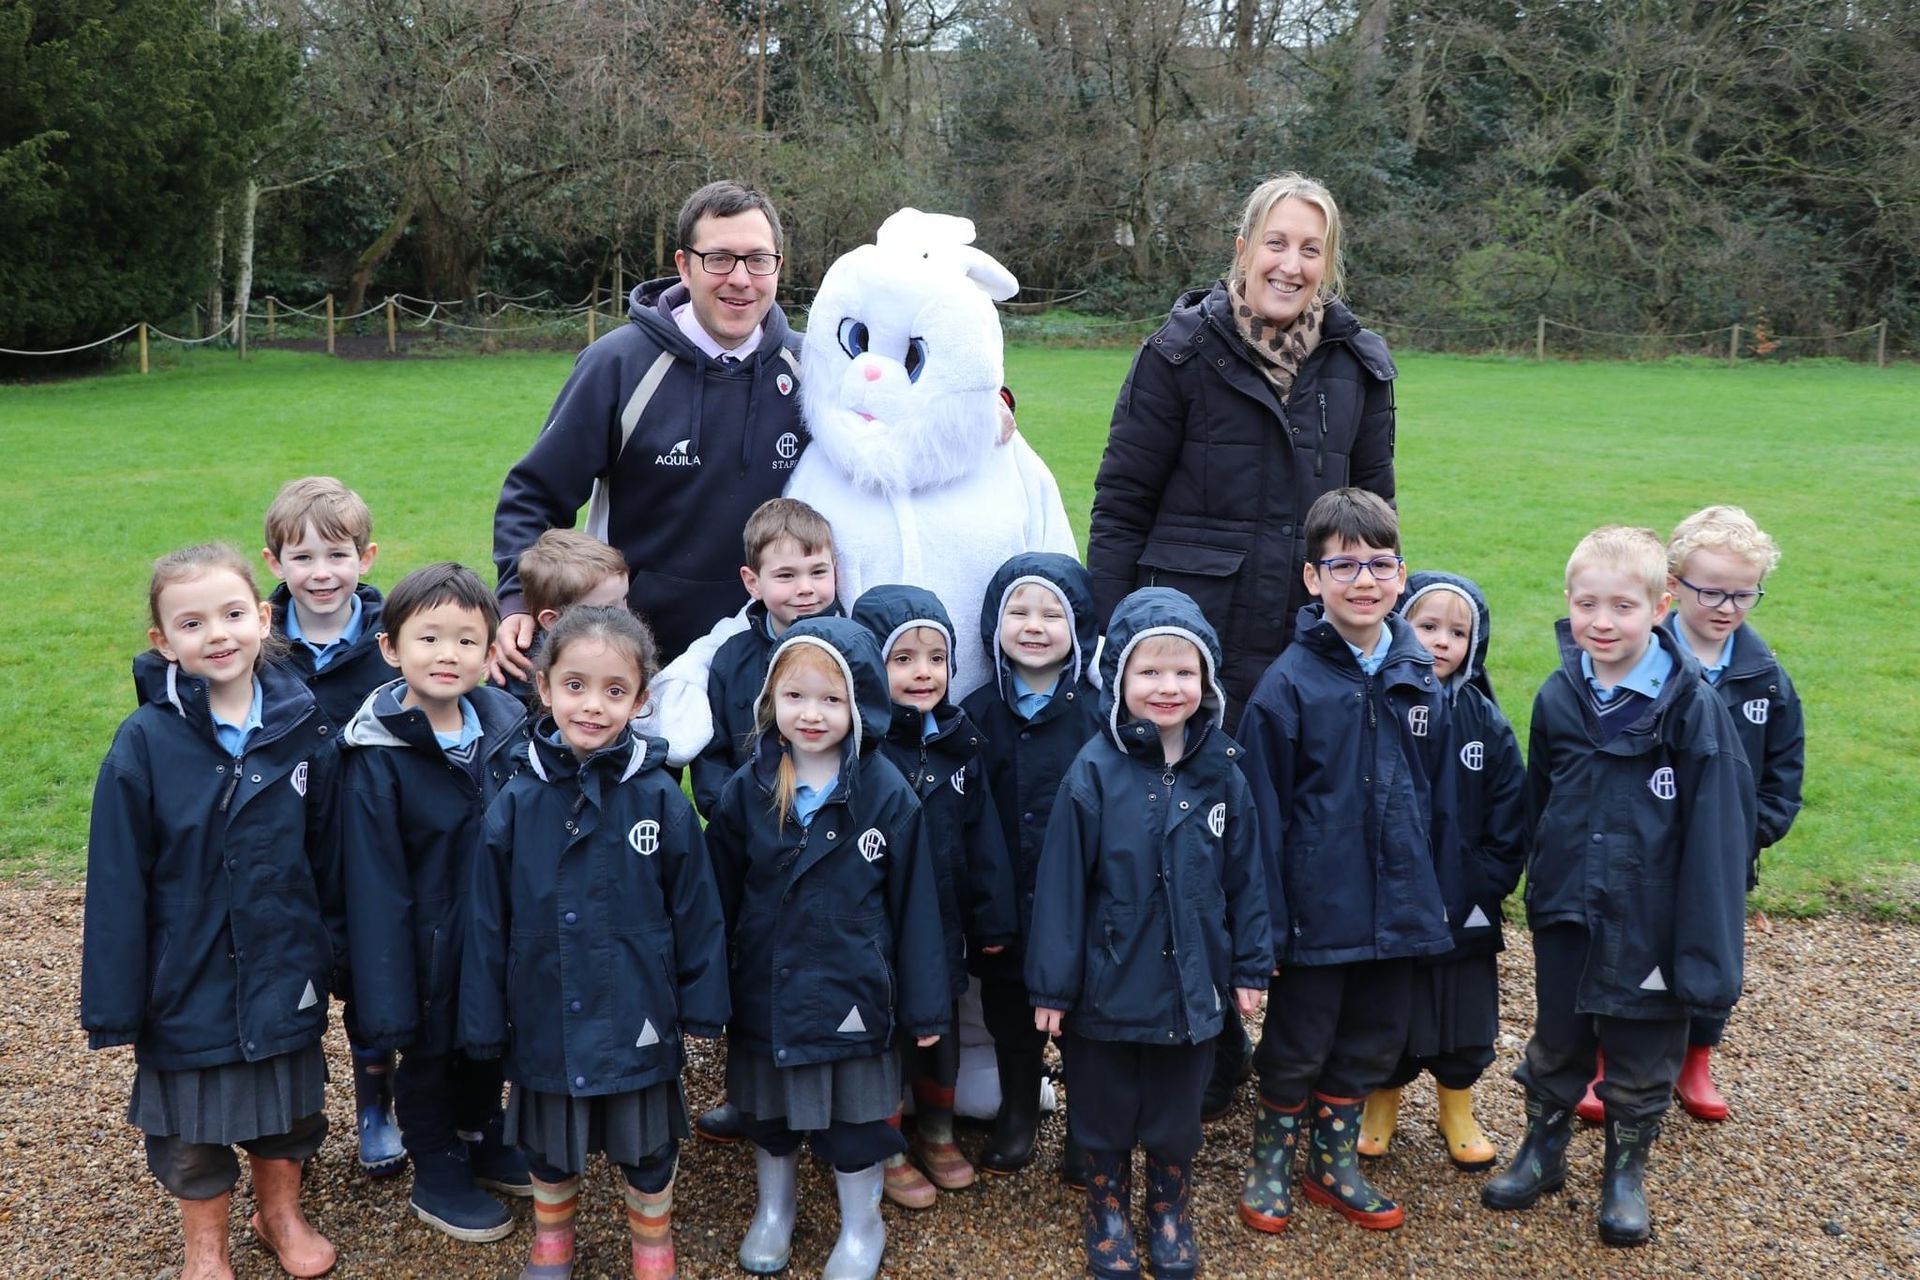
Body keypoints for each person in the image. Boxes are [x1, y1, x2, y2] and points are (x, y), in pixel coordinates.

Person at [1086, 172, 1398, 1117]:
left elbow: (1375, 514)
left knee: (1297, 838)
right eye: (1276, 244)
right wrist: (1114, 639)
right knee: (1182, 838)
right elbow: (1120, 504)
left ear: (1328, 263)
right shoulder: (1179, 354)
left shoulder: (1358, 364)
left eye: (1310, 250)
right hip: (1196, 640)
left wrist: (1376, 619)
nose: (1290, 265)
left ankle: (1298, 1051)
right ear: (1242, 248)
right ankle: (1201, 1039)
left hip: (1307, 643)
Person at [1481, 526, 1754, 1248]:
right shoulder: (1559, 697)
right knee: (1559, 1035)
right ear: (1568, 603)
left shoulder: (1693, 710)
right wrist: (1542, 884)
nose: (1602, 622)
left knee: (1641, 1050)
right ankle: (1541, 1153)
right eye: (1587, 604)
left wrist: (1704, 946)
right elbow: (1541, 800)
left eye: (1623, 607)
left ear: (1661, 607)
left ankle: (1624, 1176)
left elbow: (1718, 838)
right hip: (1571, 905)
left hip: (1653, 916)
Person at [82, 543, 340, 1279]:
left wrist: (338, 956)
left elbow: (329, 856)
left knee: (288, 1107)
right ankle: (206, 1245)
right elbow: (117, 881)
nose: (217, 634)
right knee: (190, 1126)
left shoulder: (302, 726)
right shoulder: (144, 743)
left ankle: (280, 1214)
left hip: (284, 959)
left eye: (232, 613)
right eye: (191, 623)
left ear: (263, 618)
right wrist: (117, 1002)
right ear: (163, 642)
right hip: (184, 971)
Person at [461, 606, 730, 1280]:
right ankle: (553, 1238)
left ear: (641, 701)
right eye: (575, 685)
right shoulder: (517, 802)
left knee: (647, 1143)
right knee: (549, 1142)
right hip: (545, 1005)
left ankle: (652, 1241)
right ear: (545, 688)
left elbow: (697, 908)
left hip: (638, 1004)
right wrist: (484, 1018)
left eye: (615, 691)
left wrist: (703, 1005)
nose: (592, 705)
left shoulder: (660, 797)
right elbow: (486, 919)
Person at [1026, 587, 1271, 1280]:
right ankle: (1106, 1205)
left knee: (1174, 1110)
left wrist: (1250, 966)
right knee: (1102, 1108)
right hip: (1106, 983)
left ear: (1208, 681)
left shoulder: (1223, 771)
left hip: (1191, 985)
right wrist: (1052, 984)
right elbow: (1062, 887)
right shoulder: (1093, 774)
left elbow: (1248, 877)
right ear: (1119, 680)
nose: (1168, 688)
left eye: (1184, 673)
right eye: (1150, 673)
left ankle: (1169, 1206)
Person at [1235, 488, 1455, 1235]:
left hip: (1398, 907)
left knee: (1370, 1039)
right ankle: (1272, 1157)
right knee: (1297, 1043)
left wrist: (1440, 896)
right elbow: (1261, 813)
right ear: (1311, 578)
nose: (1364, 581)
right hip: (1315, 910)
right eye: (1344, 565)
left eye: (1381, 564)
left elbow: (1442, 795)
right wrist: (1265, 925)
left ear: (1402, 574)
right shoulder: (1286, 688)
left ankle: (1333, 1162)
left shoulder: (1421, 675)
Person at [704, 617, 949, 1280]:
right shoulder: (746, 792)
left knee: (856, 1126)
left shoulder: (886, 794)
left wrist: (926, 1009)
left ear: (860, 702)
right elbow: (714, 900)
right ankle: (774, 1212)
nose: (811, 715)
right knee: (770, 1115)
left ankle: (862, 1227)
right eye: (796, 697)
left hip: (853, 993)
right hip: (768, 989)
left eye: (831, 699)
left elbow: (917, 909)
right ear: (771, 702)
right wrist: (704, 993)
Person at [491, 180, 804, 678]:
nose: (740, 278)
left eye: (757, 259)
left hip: (769, 650)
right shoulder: (617, 363)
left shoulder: (814, 372)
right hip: (626, 649)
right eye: (719, 258)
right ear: (684, 265)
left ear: (778, 266)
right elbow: (534, 494)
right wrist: (516, 600)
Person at [1573, 506, 1802, 1127]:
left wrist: (1742, 836)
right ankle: (1606, 1054)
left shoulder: (1765, 679)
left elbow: (1784, 772)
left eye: (1743, 593)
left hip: (1719, 857)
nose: (1726, 606)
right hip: (1638, 848)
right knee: (1622, 947)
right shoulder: (1644, 660)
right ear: (1672, 589)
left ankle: (1695, 1057)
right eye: (1711, 591)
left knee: (1708, 949)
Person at [338, 564, 532, 1243]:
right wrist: (386, 986)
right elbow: (373, 881)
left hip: (490, 930)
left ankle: (482, 1134)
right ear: (391, 648)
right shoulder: (377, 755)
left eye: (466, 641)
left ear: (488, 652)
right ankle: (436, 1162)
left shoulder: (506, 731)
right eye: (429, 639)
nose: (447, 655)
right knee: (427, 1052)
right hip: (421, 943)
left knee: (486, 1039)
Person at [851, 584, 1018, 1207]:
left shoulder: (958, 741)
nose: (924, 673)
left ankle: (940, 1133)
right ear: (872, 665)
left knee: (940, 1028)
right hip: (879, 928)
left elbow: (984, 839)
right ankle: (890, 1141)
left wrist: (993, 916)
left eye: (936, 658)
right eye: (903, 659)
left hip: (943, 924)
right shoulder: (864, 748)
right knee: (888, 1036)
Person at [1355, 573, 1527, 1172]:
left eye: (1458, 631)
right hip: (1394, 893)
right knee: (1390, 1006)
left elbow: (1512, 811)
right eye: (1427, 626)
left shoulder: (1485, 721)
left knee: (1463, 1010)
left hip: (1465, 896)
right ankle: (1382, 1099)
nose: (1441, 642)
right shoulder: (1378, 703)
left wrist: (1487, 881)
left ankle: (1458, 1105)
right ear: (1401, 625)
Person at [262, 476, 403, 1173]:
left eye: (338, 555)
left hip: (368, 838)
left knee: (373, 978)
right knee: (293, 973)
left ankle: (377, 1106)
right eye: (303, 557)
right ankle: (295, 1119)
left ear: (367, 557)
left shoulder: (391, 645)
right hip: (284, 843)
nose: (322, 573)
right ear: (274, 565)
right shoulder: (255, 648)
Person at [956, 552, 1104, 1185]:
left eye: (1052, 613)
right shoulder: (977, 715)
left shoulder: (1101, 716)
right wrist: (985, 909)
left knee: (1084, 1023)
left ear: (1079, 628)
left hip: (1080, 911)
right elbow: (971, 822)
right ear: (995, 624)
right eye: (1019, 611)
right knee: (1011, 1017)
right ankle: (1019, 1110)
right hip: (1005, 905)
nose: (1035, 625)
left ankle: (1085, 1130)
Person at [691, 498, 839, 820]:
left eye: (818, 572)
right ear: (753, 582)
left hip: (836, 827)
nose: (805, 588)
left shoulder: (854, 652)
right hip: (749, 832)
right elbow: (712, 761)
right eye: (786, 575)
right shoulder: (730, 659)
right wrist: (736, 818)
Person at [499, 528, 631, 708]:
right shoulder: (521, 668)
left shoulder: (625, 645)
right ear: (552, 621)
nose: (625, 613)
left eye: (624, 599)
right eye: (608, 608)